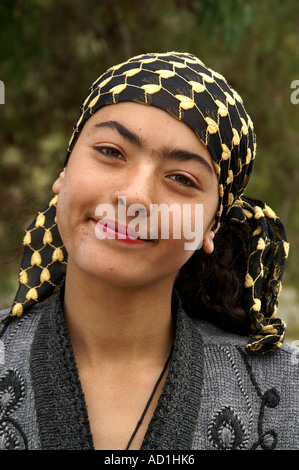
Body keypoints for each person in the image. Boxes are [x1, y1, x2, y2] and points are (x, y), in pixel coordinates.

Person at [0, 52, 298, 451]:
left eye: (181, 178)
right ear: (64, 171)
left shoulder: (285, 393)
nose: (135, 197)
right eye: (111, 152)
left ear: (210, 226)